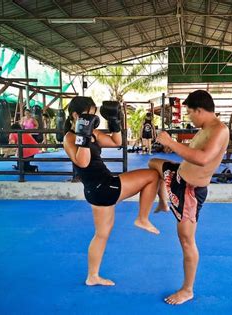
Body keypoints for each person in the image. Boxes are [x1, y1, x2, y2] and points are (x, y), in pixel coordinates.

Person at [63, 97, 160, 286]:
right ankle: (142, 218)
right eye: (89, 115)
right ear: (76, 115)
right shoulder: (70, 137)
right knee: (152, 175)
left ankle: (93, 276)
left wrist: (114, 121)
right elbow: (82, 162)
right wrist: (83, 133)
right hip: (105, 186)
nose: (92, 118)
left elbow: (117, 142)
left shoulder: (93, 133)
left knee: (101, 234)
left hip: (97, 190)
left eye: (93, 114)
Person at [148, 90, 229, 305]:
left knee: (185, 240)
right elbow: (191, 154)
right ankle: (164, 202)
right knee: (154, 163)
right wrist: (171, 146)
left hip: (190, 191)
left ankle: (187, 289)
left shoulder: (219, 130)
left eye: (190, 113)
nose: (189, 117)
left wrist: (171, 142)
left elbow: (202, 159)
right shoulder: (204, 129)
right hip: (178, 177)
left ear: (200, 110)